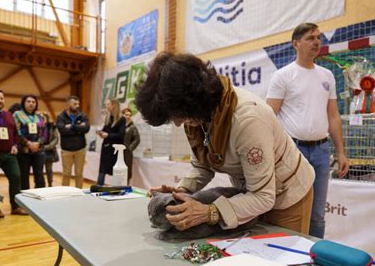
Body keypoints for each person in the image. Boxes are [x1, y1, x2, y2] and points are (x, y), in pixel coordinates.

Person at [135, 52, 315, 234]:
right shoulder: (198, 115)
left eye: (177, 116)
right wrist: (181, 191)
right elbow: (203, 165)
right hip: (252, 195)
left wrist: (209, 212)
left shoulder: (248, 120)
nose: (177, 123)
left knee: (282, 258)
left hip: (287, 196)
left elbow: (263, 196)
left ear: (191, 99)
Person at [266, 23, 349, 238]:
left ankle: (314, 256)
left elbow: (333, 115)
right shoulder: (283, 76)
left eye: (318, 37)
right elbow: (268, 115)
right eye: (310, 38)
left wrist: (340, 152)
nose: (316, 42)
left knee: (317, 215)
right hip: (293, 151)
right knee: (288, 208)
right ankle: (286, 252)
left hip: (321, 152)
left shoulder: (327, 76)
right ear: (296, 43)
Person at [13, 95, 47, 190]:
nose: (31, 103)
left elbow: (45, 132)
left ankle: (41, 196)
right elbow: (16, 131)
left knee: (39, 175)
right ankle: (25, 199)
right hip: (24, 150)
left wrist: (38, 143)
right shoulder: (17, 114)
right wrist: (28, 143)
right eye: (28, 101)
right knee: (24, 175)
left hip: (39, 150)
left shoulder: (40, 116)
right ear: (23, 103)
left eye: (33, 102)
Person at [56, 96, 90, 188]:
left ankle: (79, 192)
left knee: (79, 174)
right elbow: (62, 131)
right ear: (68, 104)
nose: (77, 106)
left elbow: (86, 129)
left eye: (78, 104)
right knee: (66, 174)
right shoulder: (61, 117)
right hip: (66, 150)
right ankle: (65, 193)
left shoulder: (83, 116)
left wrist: (71, 126)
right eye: (75, 104)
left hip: (80, 149)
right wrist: (79, 128)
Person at [96, 99, 126, 185]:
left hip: (116, 149)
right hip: (106, 147)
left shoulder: (122, 119)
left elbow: (121, 134)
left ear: (114, 106)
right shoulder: (108, 118)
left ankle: (116, 189)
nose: (106, 106)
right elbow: (105, 130)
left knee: (115, 171)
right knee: (102, 170)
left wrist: (108, 135)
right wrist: (100, 132)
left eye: (108, 104)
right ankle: (99, 188)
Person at [122, 108, 140, 185]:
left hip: (127, 153)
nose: (128, 116)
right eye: (126, 115)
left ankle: (126, 187)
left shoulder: (132, 127)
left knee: (127, 171)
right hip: (117, 151)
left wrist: (130, 148)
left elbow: (137, 139)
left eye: (129, 115)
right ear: (122, 115)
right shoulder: (119, 126)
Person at [42, 112, 59, 187]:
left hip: (49, 151)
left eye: (44, 118)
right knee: (39, 170)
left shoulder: (53, 126)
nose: (42, 119)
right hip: (39, 151)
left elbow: (56, 138)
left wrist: (48, 146)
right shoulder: (38, 126)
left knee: (49, 170)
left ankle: (50, 184)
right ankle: (41, 185)